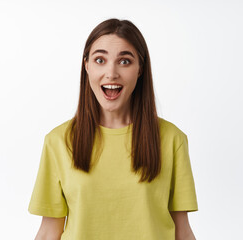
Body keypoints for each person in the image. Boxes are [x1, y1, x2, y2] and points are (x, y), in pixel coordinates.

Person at [28, 18, 198, 240]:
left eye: (125, 61)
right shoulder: (58, 141)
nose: (111, 73)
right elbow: (49, 232)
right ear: (86, 66)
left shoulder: (172, 139)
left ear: (140, 69)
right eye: (100, 60)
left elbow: (182, 231)